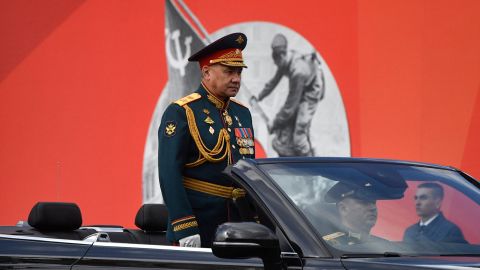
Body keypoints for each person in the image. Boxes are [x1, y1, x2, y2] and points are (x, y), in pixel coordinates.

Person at [158, 33, 255, 248]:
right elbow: (169, 174)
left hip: (239, 224)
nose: (236, 78)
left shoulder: (242, 113)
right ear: (206, 72)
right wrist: (185, 226)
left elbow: (249, 174)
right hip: (200, 223)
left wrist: (257, 222)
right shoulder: (182, 112)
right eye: (229, 71)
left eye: (238, 72)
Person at [253, 33, 325, 156]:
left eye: (278, 64)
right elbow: (273, 81)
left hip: (312, 90)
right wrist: (259, 96)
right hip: (303, 86)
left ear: (282, 56)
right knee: (289, 127)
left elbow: (290, 106)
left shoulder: (297, 72)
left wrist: (275, 123)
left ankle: (310, 165)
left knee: (299, 137)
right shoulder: (285, 58)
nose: (278, 68)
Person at [322, 181, 390, 246]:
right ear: (343, 208)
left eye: (373, 202)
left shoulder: (384, 245)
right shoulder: (328, 245)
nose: (373, 207)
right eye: (364, 202)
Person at [403, 183, 467, 243]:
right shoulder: (410, 231)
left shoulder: (451, 231)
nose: (417, 203)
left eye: (423, 198)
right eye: (416, 198)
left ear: (438, 203)